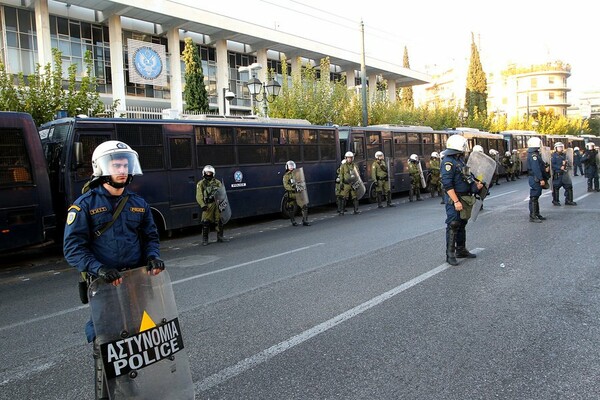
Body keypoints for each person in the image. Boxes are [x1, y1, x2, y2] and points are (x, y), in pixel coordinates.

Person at [63, 140, 165, 400]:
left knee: (136, 340)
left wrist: (153, 258)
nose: (121, 169)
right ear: (101, 168)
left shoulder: (138, 203)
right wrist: (99, 269)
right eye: (115, 164)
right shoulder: (84, 205)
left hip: (136, 284)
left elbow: (150, 237)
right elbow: (73, 248)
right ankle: (105, 395)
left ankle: (131, 389)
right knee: (105, 342)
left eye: (125, 164)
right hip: (106, 286)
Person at [441, 135, 484, 266]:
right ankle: (450, 254)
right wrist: (456, 201)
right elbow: (447, 184)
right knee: (453, 224)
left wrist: (476, 184)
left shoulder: (459, 160)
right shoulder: (448, 162)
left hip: (465, 197)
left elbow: (467, 176)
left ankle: (461, 249)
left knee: (461, 223)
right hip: (456, 198)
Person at [196, 165, 229, 245]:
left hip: (217, 203)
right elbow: (199, 195)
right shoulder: (201, 184)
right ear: (204, 173)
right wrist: (202, 205)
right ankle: (205, 239)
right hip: (208, 204)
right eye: (207, 172)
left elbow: (222, 192)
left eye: (210, 173)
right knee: (205, 221)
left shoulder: (217, 182)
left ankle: (220, 236)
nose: (208, 174)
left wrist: (222, 203)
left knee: (220, 219)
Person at [526, 137, 549, 223]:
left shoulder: (535, 154)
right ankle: (533, 215)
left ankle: (537, 213)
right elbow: (536, 168)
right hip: (535, 178)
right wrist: (541, 179)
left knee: (536, 196)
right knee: (534, 196)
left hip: (535, 178)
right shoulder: (534, 155)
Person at [282, 160, 310, 226]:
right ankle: (293, 221)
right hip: (291, 194)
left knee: (304, 206)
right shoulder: (286, 176)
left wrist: (301, 187)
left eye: (292, 165)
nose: (291, 167)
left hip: (299, 193)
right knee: (291, 207)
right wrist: (292, 188)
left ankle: (305, 220)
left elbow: (301, 181)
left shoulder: (297, 173)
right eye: (290, 166)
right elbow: (286, 185)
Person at [551, 142, 577, 206]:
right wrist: (560, 167)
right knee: (556, 188)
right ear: (556, 148)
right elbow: (552, 165)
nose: (560, 148)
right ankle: (555, 201)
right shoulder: (553, 156)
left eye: (561, 147)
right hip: (558, 174)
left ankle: (569, 200)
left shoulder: (564, 155)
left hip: (565, 173)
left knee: (569, 187)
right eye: (559, 147)